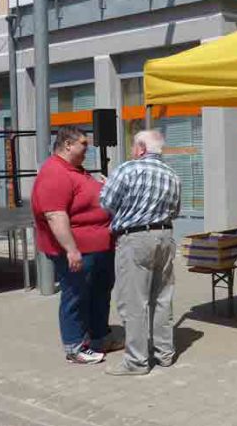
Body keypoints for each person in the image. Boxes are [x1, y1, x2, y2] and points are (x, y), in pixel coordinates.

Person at [31, 125, 118, 365]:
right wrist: (71, 250)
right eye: (84, 144)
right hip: (78, 249)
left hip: (100, 247)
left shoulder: (76, 170)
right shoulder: (55, 173)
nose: (87, 150)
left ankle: (100, 337)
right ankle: (75, 346)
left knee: (100, 293)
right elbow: (55, 215)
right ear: (67, 144)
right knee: (76, 296)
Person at [100, 130, 181, 376]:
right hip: (165, 236)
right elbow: (176, 211)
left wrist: (110, 187)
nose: (133, 149)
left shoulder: (128, 169)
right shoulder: (173, 175)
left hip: (135, 238)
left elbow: (106, 202)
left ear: (142, 148)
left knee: (134, 302)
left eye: (134, 145)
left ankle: (136, 362)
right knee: (162, 298)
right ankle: (165, 354)